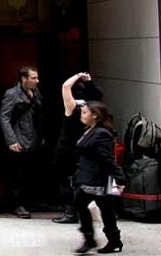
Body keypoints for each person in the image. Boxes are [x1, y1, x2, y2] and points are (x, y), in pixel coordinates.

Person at [73, 101, 126, 254]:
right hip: (87, 177)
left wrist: (120, 178)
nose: (82, 115)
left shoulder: (102, 134)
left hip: (98, 179)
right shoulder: (90, 130)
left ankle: (110, 240)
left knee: (105, 209)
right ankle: (91, 238)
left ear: (95, 115)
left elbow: (108, 159)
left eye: (85, 113)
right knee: (83, 205)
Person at [54, 71, 103, 224]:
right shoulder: (93, 108)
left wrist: (77, 76)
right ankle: (82, 211)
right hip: (85, 146)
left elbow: (65, 86)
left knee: (64, 179)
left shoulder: (73, 106)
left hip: (67, 147)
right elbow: (97, 93)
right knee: (81, 179)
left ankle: (69, 212)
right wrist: (88, 80)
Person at [0, 65, 43, 218]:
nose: (37, 81)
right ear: (24, 79)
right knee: (17, 174)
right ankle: (16, 204)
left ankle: (29, 202)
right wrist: (11, 140)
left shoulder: (35, 93)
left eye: (37, 78)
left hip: (33, 138)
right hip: (19, 138)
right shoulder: (12, 94)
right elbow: (4, 117)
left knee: (29, 173)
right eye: (33, 78)